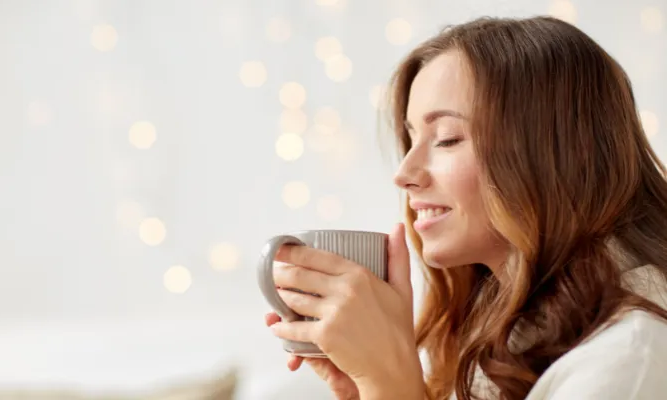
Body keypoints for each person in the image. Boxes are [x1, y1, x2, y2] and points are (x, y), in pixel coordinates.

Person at [264, 15, 667, 400]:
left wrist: (391, 387)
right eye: (411, 138)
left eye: (448, 138)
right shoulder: (500, 344)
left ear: (554, 155)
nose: (404, 173)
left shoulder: (627, 361)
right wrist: (368, 387)